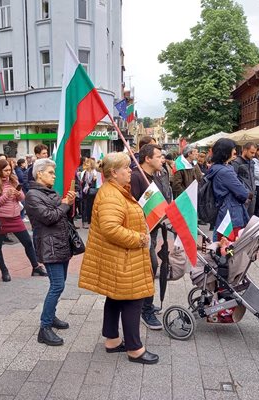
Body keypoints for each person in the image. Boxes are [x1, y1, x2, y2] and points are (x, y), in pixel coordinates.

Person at [78, 152, 158, 365]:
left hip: (119, 257)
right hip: (122, 257)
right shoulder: (111, 195)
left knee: (115, 297)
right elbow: (111, 229)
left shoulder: (114, 191)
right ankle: (135, 349)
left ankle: (112, 340)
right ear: (114, 172)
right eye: (126, 168)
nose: (130, 170)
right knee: (133, 300)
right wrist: (140, 239)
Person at [25, 159, 76, 346]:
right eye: (50, 173)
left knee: (60, 283)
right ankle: (44, 327)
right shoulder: (32, 195)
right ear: (39, 174)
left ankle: (51, 316)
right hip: (49, 246)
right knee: (57, 285)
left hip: (61, 244)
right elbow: (49, 217)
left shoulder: (50, 192)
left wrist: (68, 203)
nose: (54, 176)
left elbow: (61, 215)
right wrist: (64, 204)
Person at [130, 144, 169, 331]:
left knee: (150, 268)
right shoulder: (137, 176)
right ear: (147, 159)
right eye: (159, 156)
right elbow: (133, 207)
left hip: (152, 231)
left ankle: (144, 304)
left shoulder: (156, 177)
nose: (162, 159)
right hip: (141, 234)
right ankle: (145, 310)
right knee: (150, 267)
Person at [0, 159, 46, 281]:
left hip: (15, 218)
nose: (8, 173)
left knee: (27, 242)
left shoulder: (13, 181)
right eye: (5, 170)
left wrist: (17, 194)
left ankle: (35, 267)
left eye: (10, 170)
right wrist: (6, 196)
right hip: (1, 219)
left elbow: (22, 198)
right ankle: (4, 271)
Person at [206, 139, 250, 241]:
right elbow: (243, 193)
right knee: (229, 248)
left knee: (221, 242)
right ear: (225, 152)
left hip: (223, 211)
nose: (235, 152)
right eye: (233, 149)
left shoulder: (216, 168)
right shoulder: (225, 172)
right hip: (231, 215)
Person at [231, 142, 257, 217]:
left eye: (254, 153)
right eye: (251, 152)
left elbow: (252, 177)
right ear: (245, 150)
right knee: (242, 218)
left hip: (252, 194)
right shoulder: (236, 162)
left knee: (250, 217)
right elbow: (234, 179)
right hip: (243, 195)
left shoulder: (251, 162)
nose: (253, 155)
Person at [80, 158, 98, 229]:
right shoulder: (83, 172)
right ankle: (84, 221)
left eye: (88, 163)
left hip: (92, 192)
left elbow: (96, 182)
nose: (86, 164)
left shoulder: (94, 172)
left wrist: (94, 179)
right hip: (85, 192)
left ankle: (91, 221)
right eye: (86, 163)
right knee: (85, 206)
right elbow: (81, 182)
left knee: (92, 206)